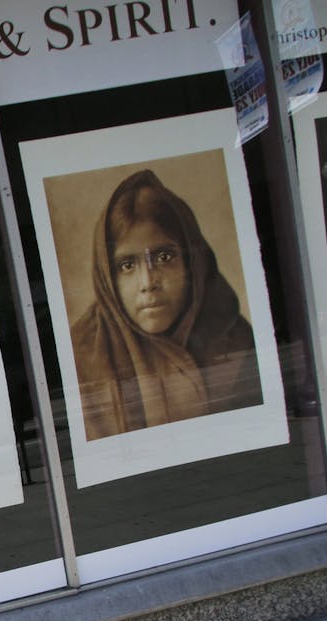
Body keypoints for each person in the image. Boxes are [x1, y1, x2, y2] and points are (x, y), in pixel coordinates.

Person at [70, 169, 262, 440]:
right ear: (107, 277)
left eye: (164, 257)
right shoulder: (83, 356)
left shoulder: (234, 338)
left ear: (192, 263)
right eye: (127, 265)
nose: (148, 282)